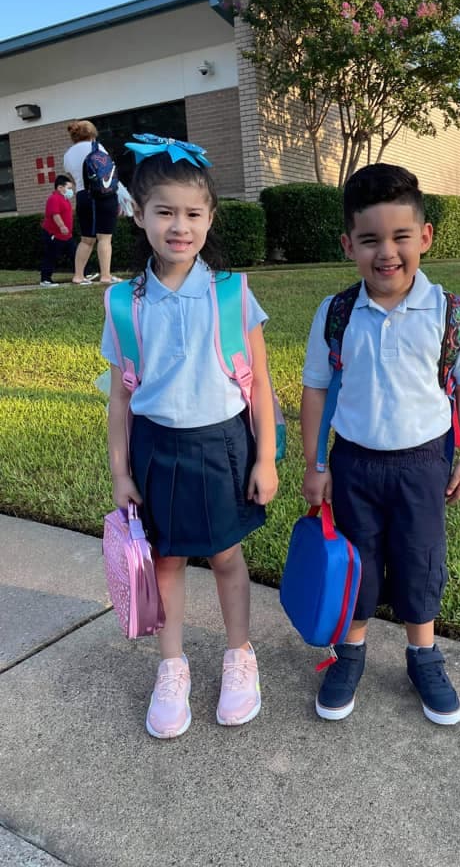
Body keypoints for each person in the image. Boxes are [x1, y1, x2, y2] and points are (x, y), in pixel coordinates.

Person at [101, 135, 279, 739]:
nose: (180, 226)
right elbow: (122, 395)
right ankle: (171, 666)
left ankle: (239, 657)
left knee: (227, 556)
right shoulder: (124, 302)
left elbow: (260, 386)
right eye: (165, 212)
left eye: (193, 213)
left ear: (209, 218)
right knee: (168, 561)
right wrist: (122, 472)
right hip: (158, 448)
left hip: (224, 445)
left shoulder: (232, 292)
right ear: (138, 214)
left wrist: (268, 458)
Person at [301, 163, 460, 726]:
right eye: (370, 240)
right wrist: (315, 463)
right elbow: (315, 390)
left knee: (420, 559)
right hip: (353, 462)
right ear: (348, 245)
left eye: (401, 237)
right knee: (358, 563)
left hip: (423, 464)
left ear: (424, 237)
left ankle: (422, 653)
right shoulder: (337, 314)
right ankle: (350, 654)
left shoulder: (447, 312)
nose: (387, 253)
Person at [63, 119, 120, 285]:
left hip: (82, 196)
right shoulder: (97, 148)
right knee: (104, 238)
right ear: (91, 133)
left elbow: (73, 178)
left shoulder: (68, 154)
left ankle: (78, 276)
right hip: (103, 195)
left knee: (86, 239)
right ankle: (105, 276)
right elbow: (107, 172)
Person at [39, 175, 77, 287]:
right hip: (54, 234)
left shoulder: (64, 199)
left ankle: (84, 273)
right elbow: (55, 214)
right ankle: (45, 279)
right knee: (51, 256)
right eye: (69, 188)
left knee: (75, 254)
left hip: (66, 236)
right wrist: (62, 226)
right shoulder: (54, 198)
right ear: (60, 187)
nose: (71, 191)